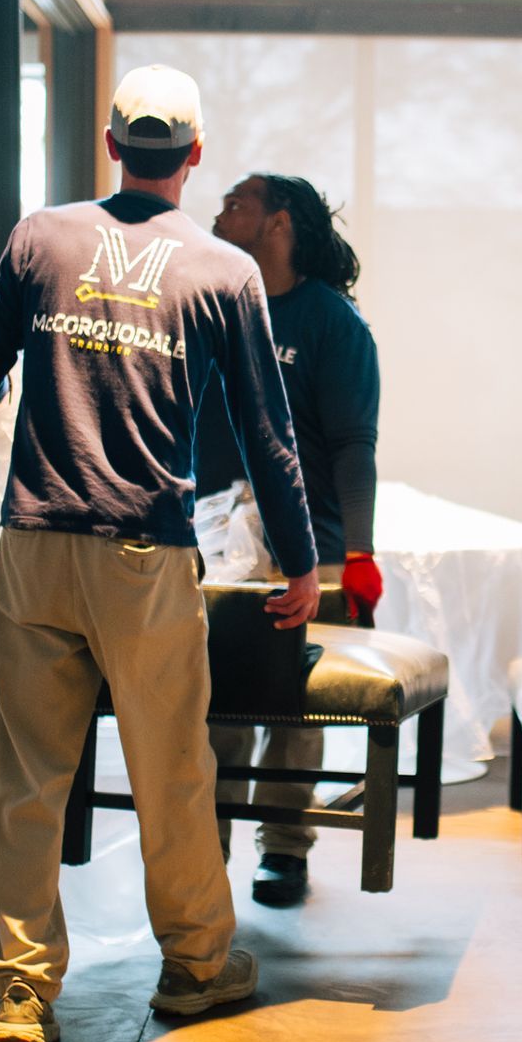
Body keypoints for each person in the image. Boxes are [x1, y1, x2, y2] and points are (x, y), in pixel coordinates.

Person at [0, 65, 320, 1042]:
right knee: (172, 771)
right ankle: (198, 967)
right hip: (142, 558)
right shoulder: (223, 272)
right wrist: (300, 563)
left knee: (30, 778)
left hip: (32, 547)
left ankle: (22, 997)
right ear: (194, 157)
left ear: (112, 145)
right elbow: (265, 429)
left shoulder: (42, 237)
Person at [199, 172, 382, 908]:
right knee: (210, 705)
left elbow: (353, 445)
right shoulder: (213, 307)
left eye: (236, 203)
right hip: (216, 543)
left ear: (279, 224)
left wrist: (359, 555)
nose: (217, 211)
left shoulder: (331, 323)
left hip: (311, 546)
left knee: (291, 705)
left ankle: (283, 848)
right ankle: (202, 853)